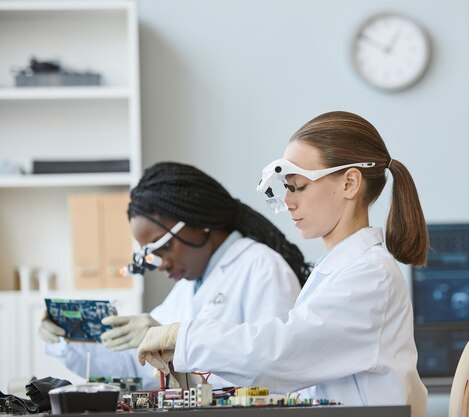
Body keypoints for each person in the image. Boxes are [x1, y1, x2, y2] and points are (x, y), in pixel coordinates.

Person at [137, 111, 429, 417]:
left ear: (349, 183)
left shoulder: (370, 276)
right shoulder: (340, 270)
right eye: (286, 188)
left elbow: (280, 354)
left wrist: (185, 337)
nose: (289, 202)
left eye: (298, 186)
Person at [39, 162, 308, 389]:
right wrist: (69, 337)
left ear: (199, 221)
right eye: (150, 255)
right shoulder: (189, 284)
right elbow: (138, 368)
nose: (160, 264)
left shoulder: (263, 267)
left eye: (163, 246)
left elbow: (274, 367)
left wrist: (180, 340)